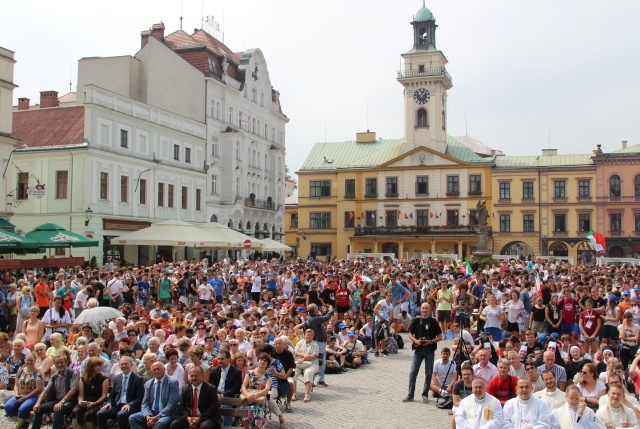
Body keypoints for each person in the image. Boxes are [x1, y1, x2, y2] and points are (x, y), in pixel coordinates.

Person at [403, 302, 442, 403]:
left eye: (426, 308)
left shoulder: (433, 322)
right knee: (413, 372)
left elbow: (440, 336)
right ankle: (410, 395)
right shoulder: (416, 321)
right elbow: (410, 334)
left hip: (430, 350)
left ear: (430, 310)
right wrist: (416, 341)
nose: (424, 310)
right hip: (418, 350)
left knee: (428, 373)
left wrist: (431, 341)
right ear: (421, 309)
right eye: (423, 308)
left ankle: (425, 394)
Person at [32, 354, 79, 429]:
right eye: (57, 363)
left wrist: (61, 402)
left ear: (66, 362)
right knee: (39, 409)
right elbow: (46, 391)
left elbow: (73, 390)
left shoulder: (73, 373)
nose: (59, 365)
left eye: (61, 362)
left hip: (70, 401)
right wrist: (37, 403)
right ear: (54, 364)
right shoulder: (54, 376)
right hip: (57, 401)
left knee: (58, 409)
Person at [97, 356, 145, 429]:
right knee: (100, 413)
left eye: (126, 364)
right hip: (117, 405)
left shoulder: (138, 379)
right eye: (122, 364)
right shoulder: (117, 378)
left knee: (121, 414)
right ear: (119, 365)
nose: (123, 366)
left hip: (131, 407)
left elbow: (140, 397)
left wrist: (130, 404)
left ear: (131, 365)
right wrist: (109, 403)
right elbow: (112, 394)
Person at [129, 361, 180, 429]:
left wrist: (157, 417)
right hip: (151, 412)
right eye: (154, 370)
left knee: (160, 423)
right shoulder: (148, 383)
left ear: (164, 369)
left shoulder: (172, 382)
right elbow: (145, 403)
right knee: (133, 418)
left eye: (158, 369)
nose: (156, 371)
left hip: (166, 414)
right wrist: (147, 416)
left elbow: (172, 404)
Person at [4, 352, 44, 429]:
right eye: (27, 360)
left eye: (31, 360)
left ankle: (18, 427)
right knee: (8, 407)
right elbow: (16, 385)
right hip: (20, 394)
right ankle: (24, 423)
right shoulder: (21, 370)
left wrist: (26, 398)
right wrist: (16, 394)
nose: (29, 362)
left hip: (34, 396)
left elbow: (39, 389)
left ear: (35, 360)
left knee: (23, 408)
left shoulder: (38, 373)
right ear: (24, 360)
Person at [72, 356, 110, 429]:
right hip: (85, 402)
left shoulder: (104, 379)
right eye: (98, 366)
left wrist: (94, 403)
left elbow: (104, 396)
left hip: (98, 402)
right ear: (91, 367)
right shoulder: (83, 379)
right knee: (76, 411)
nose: (100, 367)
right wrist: (80, 402)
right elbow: (81, 395)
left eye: (100, 365)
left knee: (89, 414)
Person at [210, 350, 242, 428]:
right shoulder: (214, 371)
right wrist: (216, 394)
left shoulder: (236, 372)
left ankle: (226, 427)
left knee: (224, 406)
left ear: (228, 359)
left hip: (229, 397)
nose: (220, 361)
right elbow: (211, 386)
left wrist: (223, 395)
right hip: (215, 396)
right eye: (219, 359)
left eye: (222, 359)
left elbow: (236, 388)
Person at [303, 303, 333, 386]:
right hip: (318, 343)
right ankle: (314, 380)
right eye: (317, 308)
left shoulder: (313, 318)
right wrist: (330, 310)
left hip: (319, 342)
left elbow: (322, 317)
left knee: (319, 361)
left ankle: (317, 379)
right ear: (315, 310)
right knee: (318, 362)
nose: (318, 309)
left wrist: (325, 311)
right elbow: (326, 317)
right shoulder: (314, 319)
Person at [240, 355, 272, 429]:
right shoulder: (249, 373)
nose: (262, 362)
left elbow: (267, 389)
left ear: (267, 364)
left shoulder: (268, 377)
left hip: (260, 400)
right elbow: (243, 386)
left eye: (265, 361)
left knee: (256, 409)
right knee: (244, 408)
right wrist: (248, 396)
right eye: (261, 359)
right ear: (257, 361)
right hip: (248, 398)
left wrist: (256, 396)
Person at [292, 329, 319, 403]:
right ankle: (293, 393)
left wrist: (303, 359)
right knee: (293, 373)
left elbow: (314, 356)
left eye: (311, 335)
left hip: (312, 364)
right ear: (305, 335)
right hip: (299, 363)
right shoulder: (300, 342)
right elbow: (296, 353)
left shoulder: (315, 344)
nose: (309, 336)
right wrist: (304, 356)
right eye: (307, 335)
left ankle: (307, 394)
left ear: (313, 336)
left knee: (308, 372)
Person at [374, 290, 394, 357]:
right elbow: (375, 310)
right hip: (379, 320)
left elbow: (389, 314)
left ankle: (383, 349)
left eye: (391, 295)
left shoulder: (391, 305)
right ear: (386, 296)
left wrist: (387, 321)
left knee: (385, 335)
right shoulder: (381, 302)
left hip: (386, 320)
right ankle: (376, 350)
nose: (390, 297)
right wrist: (380, 317)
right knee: (377, 335)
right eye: (389, 295)